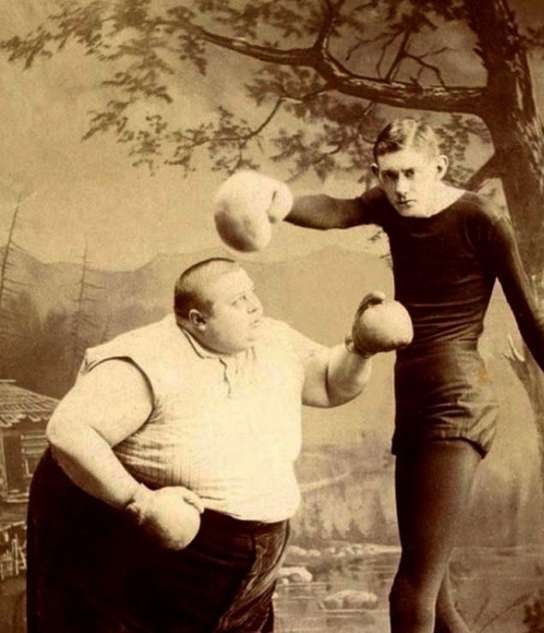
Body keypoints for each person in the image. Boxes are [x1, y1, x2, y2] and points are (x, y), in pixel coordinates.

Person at [212, 118, 544, 633]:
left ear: (439, 166)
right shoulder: (390, 204)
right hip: (415, 400)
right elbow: (338, 211)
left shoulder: (480, 218)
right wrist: (278, 203)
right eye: (389, 175)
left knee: (411, 588)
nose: (400, 188)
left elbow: (533, 320)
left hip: (459, 401)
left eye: (411, 173)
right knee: (437, 599)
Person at [26, 257, 405, 633]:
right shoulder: (145, 360)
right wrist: (140, 501)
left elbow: (328, 383)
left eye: (251, 293)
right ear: (198, 320)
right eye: (238, 301)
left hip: (255, 565)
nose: (254, 306)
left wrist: (359, 348)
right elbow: (69, 429)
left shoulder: (273, 339)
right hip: (171, 561)